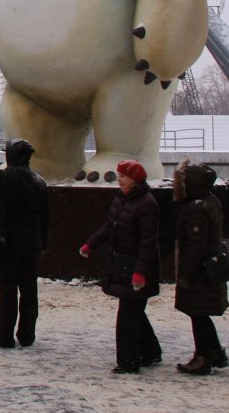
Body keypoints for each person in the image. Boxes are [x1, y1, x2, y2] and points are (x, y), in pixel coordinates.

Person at [79, 159, 162, 374]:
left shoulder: (146, 204)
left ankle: (128, 361)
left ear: (134, 180)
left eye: (123, 177)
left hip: (135, 266)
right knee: (134, 312)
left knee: (128, 315)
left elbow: (148, 243)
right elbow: (110, 226)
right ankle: (151, 351)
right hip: (123, 264)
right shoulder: (122, 199)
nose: (119, 180)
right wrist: (91, 243)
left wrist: (140, 273)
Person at [0, 138, 50, 348]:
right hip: (31, 245)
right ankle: (27, 335)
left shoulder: (2, 177)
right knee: (29, 290)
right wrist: (41, 243)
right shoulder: (39, 181)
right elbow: (46, 217)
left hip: (7, 243)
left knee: (8, 290)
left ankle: (5, 335)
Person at [172, 159, 229, 375]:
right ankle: (214, 352)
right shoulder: (209, 200)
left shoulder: (196, 208)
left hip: (200, 273)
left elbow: (196, 246)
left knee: (198, 314)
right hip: (209, 268)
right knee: (201, 314)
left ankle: (203, 358)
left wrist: (184, 274)